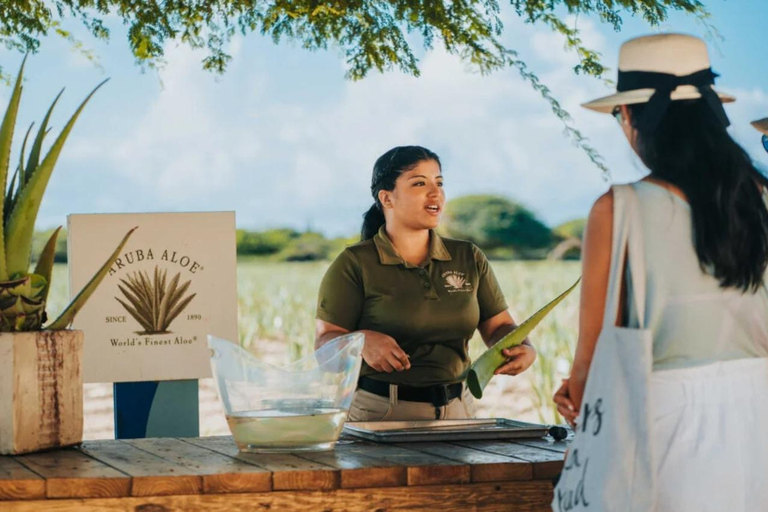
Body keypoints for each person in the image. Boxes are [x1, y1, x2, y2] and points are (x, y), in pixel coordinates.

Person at [553, 34, 768, 510]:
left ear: (630, 115)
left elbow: (592, 363)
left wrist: (576, 396)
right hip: (761, 420)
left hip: (664, 423)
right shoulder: (760, 198)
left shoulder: (619, 209)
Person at [315, 145, 536, 421]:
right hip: (380, 413)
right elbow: (324, 346)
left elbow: (500, 326)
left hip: (460, 410)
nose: (436, 193)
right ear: (387, 198)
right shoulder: (354, 263)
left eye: (439, 182)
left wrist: (524, 348)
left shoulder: (468, 256)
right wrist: (360, 342)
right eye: (419, 183)